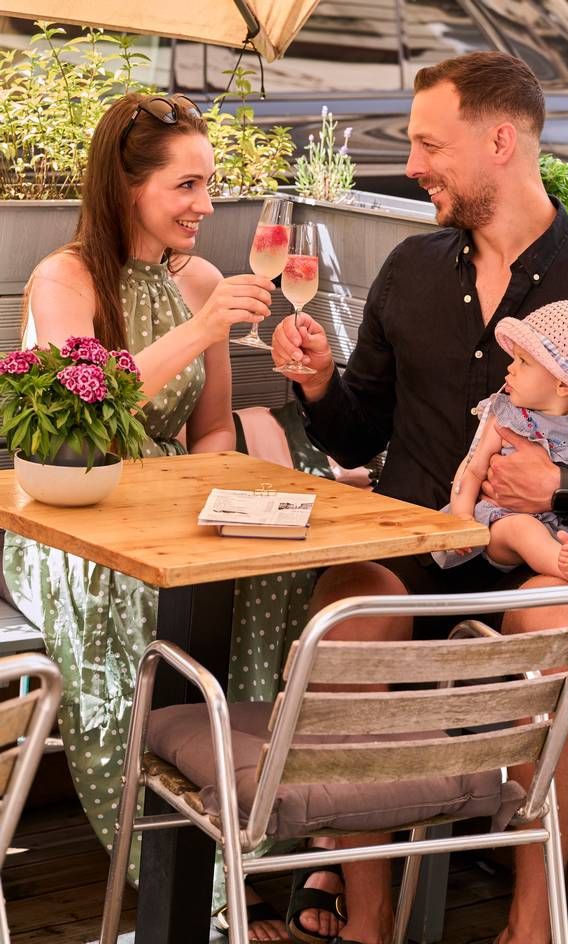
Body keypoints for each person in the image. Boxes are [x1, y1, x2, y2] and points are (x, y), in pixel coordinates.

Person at [271, 51, 568, 944]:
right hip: (409, 546)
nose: (413, 163)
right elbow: (360, 433)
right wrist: (317, 386)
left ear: (499, 141)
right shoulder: (410, 267)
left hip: (532, 558)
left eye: (430, 144)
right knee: (350, 612)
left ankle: (532, 920)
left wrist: (564, 486)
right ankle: (367, 919)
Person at [1, 92, 288, 941]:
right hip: (70, 516)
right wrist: (200, 329)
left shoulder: (198, 278)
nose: (206, 204)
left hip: (171, 509)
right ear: (129, 190)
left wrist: (216, 508)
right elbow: (87, 425)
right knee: (125, 600)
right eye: (187, 186)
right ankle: (179, 876)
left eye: (211, 183)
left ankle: (251, 832)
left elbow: (210, 431)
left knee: (278, 579)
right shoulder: (66, 279)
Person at [434, 299, 568, 681]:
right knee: (525, 532)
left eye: (523, 361)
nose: (509, 367)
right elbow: (471, 468)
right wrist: (460, 517)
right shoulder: (505, 413)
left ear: (562, 382)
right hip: (506, 521)